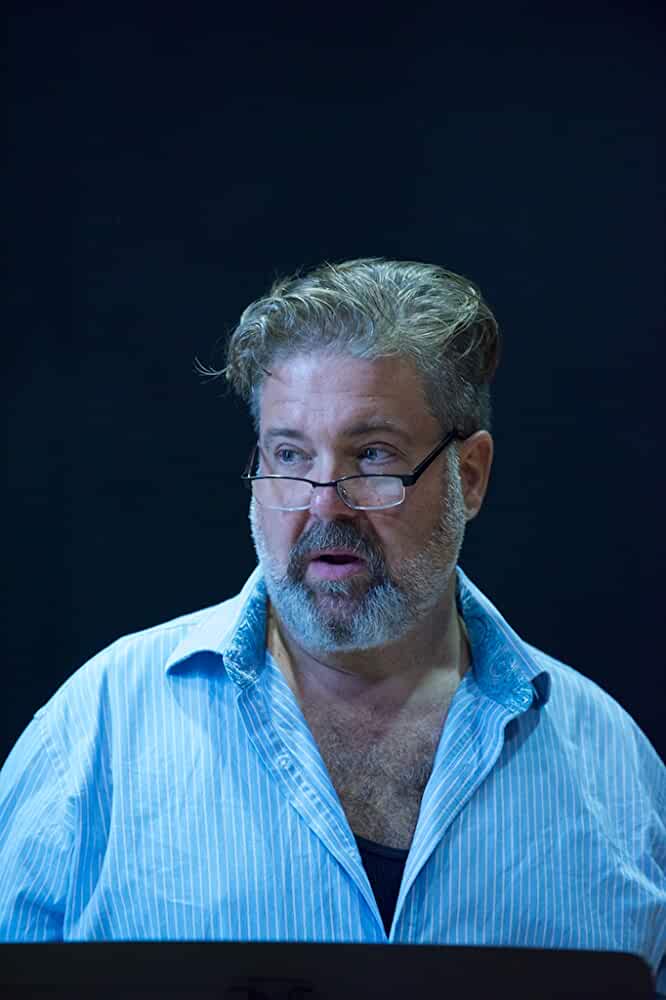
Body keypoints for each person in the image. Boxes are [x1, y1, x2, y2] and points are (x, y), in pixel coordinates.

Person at [1, 259, 663, 990]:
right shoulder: (97, 731)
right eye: (290, 456)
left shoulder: (614, 770)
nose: (324, 504)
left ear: (469, 476)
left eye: (372, 455)